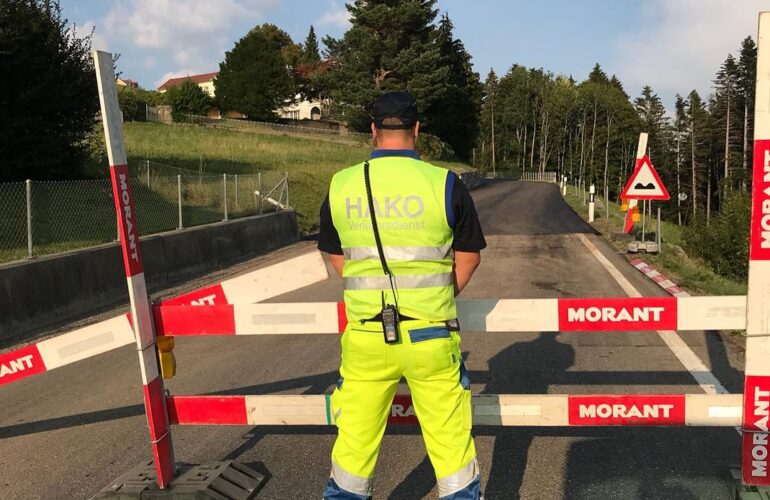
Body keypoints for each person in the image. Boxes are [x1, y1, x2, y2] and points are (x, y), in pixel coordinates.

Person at [318, 91, 486, 500]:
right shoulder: (446, 184)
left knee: (354, 450)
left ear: (373, 130)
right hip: (431, 337)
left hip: (366, 339)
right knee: (451, 449)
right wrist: (434, 299)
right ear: (416, 130)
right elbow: (468, 259)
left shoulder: (341, 185)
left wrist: (368, 290)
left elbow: (334, 254)